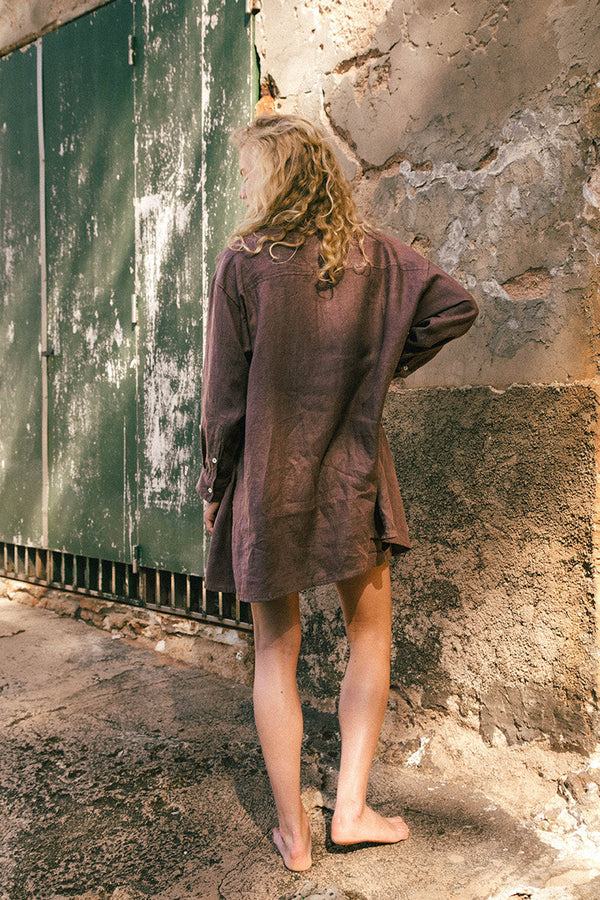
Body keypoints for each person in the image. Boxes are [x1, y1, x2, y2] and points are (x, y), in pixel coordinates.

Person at [196, 114, 478, 871]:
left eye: (250, 171)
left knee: (274, 649)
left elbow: (224, 399)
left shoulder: (243, 265)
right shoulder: (378, 258)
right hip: (354, 476)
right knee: (370, 637)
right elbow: (456, 306)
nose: (244, 186)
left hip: (269, 480)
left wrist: (214, 484)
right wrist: (382, 364)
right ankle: (349, 808)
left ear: (276, 176)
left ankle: (294, 835)